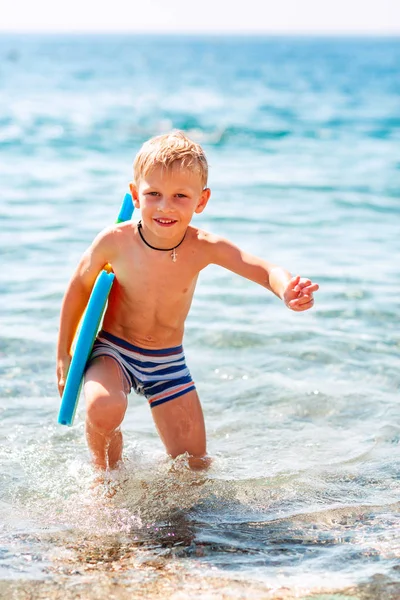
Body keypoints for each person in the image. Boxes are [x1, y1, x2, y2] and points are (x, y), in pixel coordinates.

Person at [56, 131, 319, 472]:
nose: (165, 206)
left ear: (202, 201)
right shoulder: (114, 241)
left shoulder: (203, 246)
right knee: (104, 408)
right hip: (114, 350)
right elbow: (79, 286)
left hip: (167, 361)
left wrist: (286, 290)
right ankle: (104, 477)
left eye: (180, 195)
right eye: (154, 194)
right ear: (136, 195)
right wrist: (64, 354)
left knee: (195, 466)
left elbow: (263, 269)